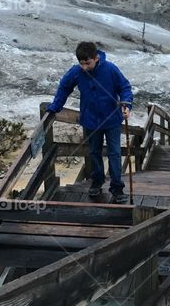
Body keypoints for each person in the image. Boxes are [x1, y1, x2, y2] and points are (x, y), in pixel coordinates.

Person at [46, 42, 133, 204]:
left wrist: (127, 104)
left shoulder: (111, 69)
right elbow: (64, 87)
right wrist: (55, 107)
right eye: (82, 63)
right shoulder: (76, 71)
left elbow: (125, 87)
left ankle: (117, 188)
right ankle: (97, 181)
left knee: (114, 153)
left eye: (88, 63)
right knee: (94, 152)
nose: (85, 67)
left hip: (112, 119)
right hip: (91, 120)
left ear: (96, 57)